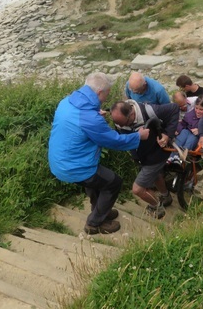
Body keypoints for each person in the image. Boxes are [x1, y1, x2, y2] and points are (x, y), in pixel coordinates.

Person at [48, 72, 150, 235]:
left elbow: (79, 122)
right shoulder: (90, 118)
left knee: (97, 182)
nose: (107, 98)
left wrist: (95, 114)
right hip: (74, 167)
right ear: (99, 93)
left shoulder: (67, 102)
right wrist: (139, 136)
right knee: (113, 183)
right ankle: (94, 223)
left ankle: (101, 209)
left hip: (59, 160)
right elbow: (113, 140)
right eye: (107, 94)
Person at [110, 99, 179, 219]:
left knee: (138, 189)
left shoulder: (151, 111)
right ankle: (166, 196)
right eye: (118, 124)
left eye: (123, 123)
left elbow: (174, 108)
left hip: (156, 155)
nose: (120, 126)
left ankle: (156, 207)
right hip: (142, 156)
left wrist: (168, 135)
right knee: (156, 176)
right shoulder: (120, 120)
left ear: (131, 114)